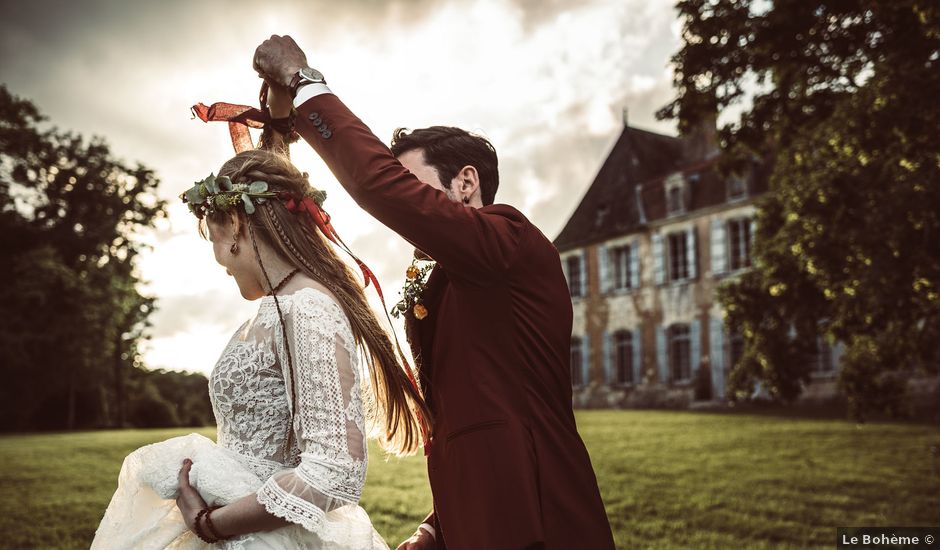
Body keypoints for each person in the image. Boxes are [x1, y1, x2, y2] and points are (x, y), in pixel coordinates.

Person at [253, 35, 616, 550]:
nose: (403, 197)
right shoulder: (461, 271)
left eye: (411, 181)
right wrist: (437, 528)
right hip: (484, 519)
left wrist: (303, 81)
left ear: (466, 183)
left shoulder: (508, 239)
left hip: (540, 523)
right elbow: (480, 422)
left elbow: (379, 185)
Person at [90, 119, 430, 548]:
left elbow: (333, 470)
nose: (222, 262)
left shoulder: (307, 307)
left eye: (213, 240)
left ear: (234, 223)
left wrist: (210, 523)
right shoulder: (280, 306)